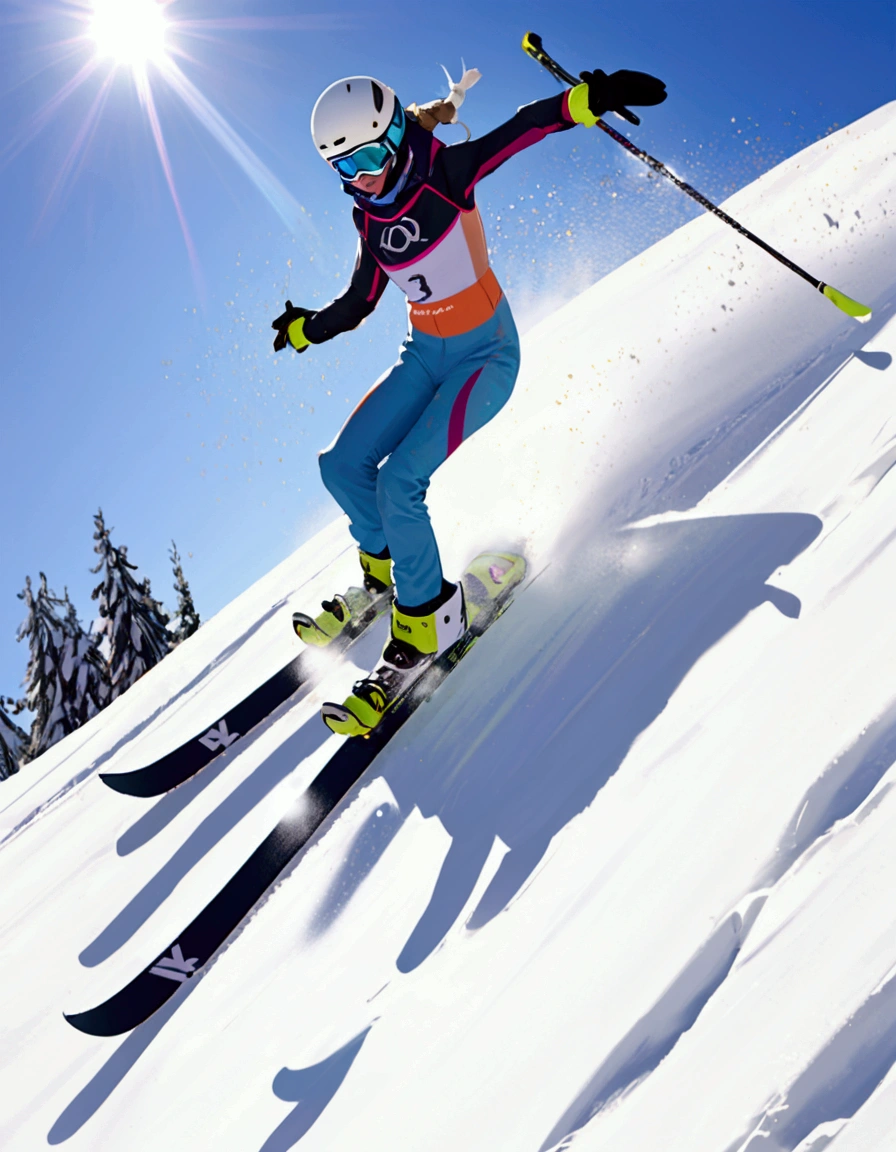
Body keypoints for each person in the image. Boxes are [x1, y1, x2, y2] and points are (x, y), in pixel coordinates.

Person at [272, 64, 666, 734]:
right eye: (346, 168)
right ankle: (382, 576)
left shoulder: (444, 175)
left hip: (485, 357)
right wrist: (308, 327)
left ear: (394, 135)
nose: (364, 177)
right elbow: (361, 301)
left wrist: (588, 99)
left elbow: (524, 129)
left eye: (369, 156)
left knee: (401, 483)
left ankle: (427, 627)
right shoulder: (368, 219)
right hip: (423, 355)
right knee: (340, 466)